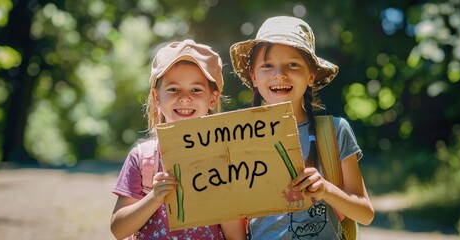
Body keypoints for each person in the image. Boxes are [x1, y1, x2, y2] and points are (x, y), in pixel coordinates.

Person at [229, 16, 374, 239]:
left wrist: (326, 189)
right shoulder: (236, 139)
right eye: (267, 66)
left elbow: (365, 214)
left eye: (293, 64)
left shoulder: (335, 131)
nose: (280, 74)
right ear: (253, 77)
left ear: (311, 75)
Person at [111, 39, 246, 240]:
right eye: (173, 89)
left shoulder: (226, 158)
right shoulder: (143, 158)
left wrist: (221, 196)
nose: (184, 97)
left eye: (196, 89)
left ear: (212, 99)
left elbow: (237, 237)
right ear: (156, 97)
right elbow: (118, 229)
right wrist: (154, 197)